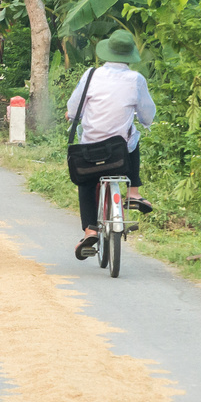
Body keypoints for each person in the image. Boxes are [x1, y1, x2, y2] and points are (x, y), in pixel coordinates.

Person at [66, 29, 155, 260]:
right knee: (133, 137)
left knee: (86, 183)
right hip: (119, 155)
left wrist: (71, 114)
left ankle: (89, 229)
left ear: (107, 52)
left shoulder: (91, 75)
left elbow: (74, 109)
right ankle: (133, 192)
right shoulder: (136, 79)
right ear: (129, 55)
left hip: (89, 152)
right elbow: (147, 116)